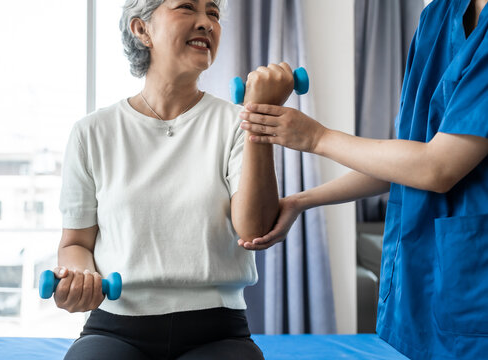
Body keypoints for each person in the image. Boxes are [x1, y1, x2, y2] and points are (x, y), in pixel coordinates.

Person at [238, 0, 488, 359]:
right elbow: (408, 159)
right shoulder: (437, 16)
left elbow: (437, 168)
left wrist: (317, 138)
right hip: (426, 272)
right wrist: (301, 201)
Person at [53, 0, 295, 359]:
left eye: (213, 13)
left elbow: (254, 229)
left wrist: (257, 120)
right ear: (141, 29)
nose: (205, 23)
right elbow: (76, 243)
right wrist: (80, 276)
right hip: (116, 327)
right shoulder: (92, 132)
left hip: (218, 330)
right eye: (186, 8)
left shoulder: (238, 122)